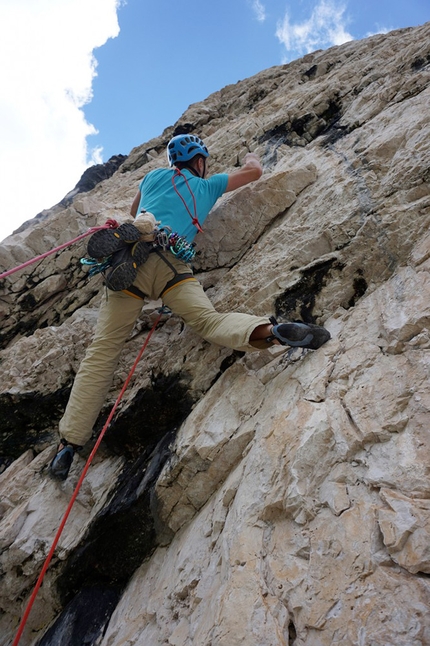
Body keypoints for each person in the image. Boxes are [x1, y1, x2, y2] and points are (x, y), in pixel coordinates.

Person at [50, 134, 330, 480]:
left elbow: (136, 209)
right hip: (173, 268)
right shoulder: (208, 186)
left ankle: (68, 445)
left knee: (103, 351)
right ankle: (270, 331)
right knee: (208, 321)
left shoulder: (153, 177)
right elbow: (254, 172)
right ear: (200, 161)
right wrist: (251, 154)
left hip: (131, 266)